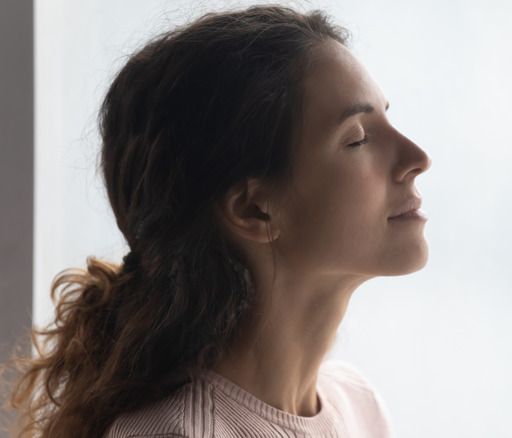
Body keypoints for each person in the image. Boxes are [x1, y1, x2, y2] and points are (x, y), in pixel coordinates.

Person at [4, 5, 431, 438]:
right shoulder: (177, 433)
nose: (418, 158)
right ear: (253, 209)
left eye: (387, 118)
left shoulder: (359, 406)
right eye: (357, 138)